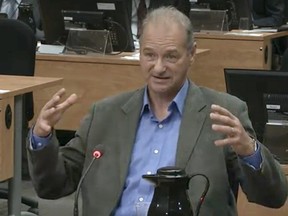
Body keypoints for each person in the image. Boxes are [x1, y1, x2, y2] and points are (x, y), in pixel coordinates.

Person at [27, 6, 287, 216]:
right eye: (150, 55)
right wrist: (42, 137)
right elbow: (53, 187)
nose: (159, 67)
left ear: (192, 54)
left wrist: (249, 150)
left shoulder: (224, 113)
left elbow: (273, 197)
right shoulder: (105, 114)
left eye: (171, 57)